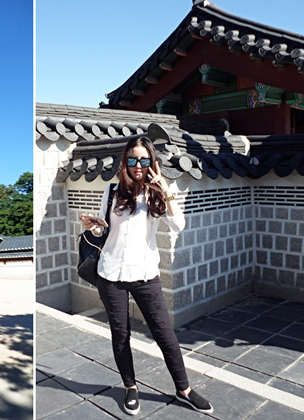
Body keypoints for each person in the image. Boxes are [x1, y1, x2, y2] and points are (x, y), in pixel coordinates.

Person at [80, 136, 213, 415]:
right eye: (132, 160)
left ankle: (184, 389)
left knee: (165, 335)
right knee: (120, 334)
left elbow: (178, 225)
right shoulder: (113, 189)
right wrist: (94, 228)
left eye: (143, 160)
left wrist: (167, 192)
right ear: (124, 162)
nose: (137, 165)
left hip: (144, 275)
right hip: (110, 273)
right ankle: (130, 387)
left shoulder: (156, 193)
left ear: (152, 162)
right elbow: (105, 232)